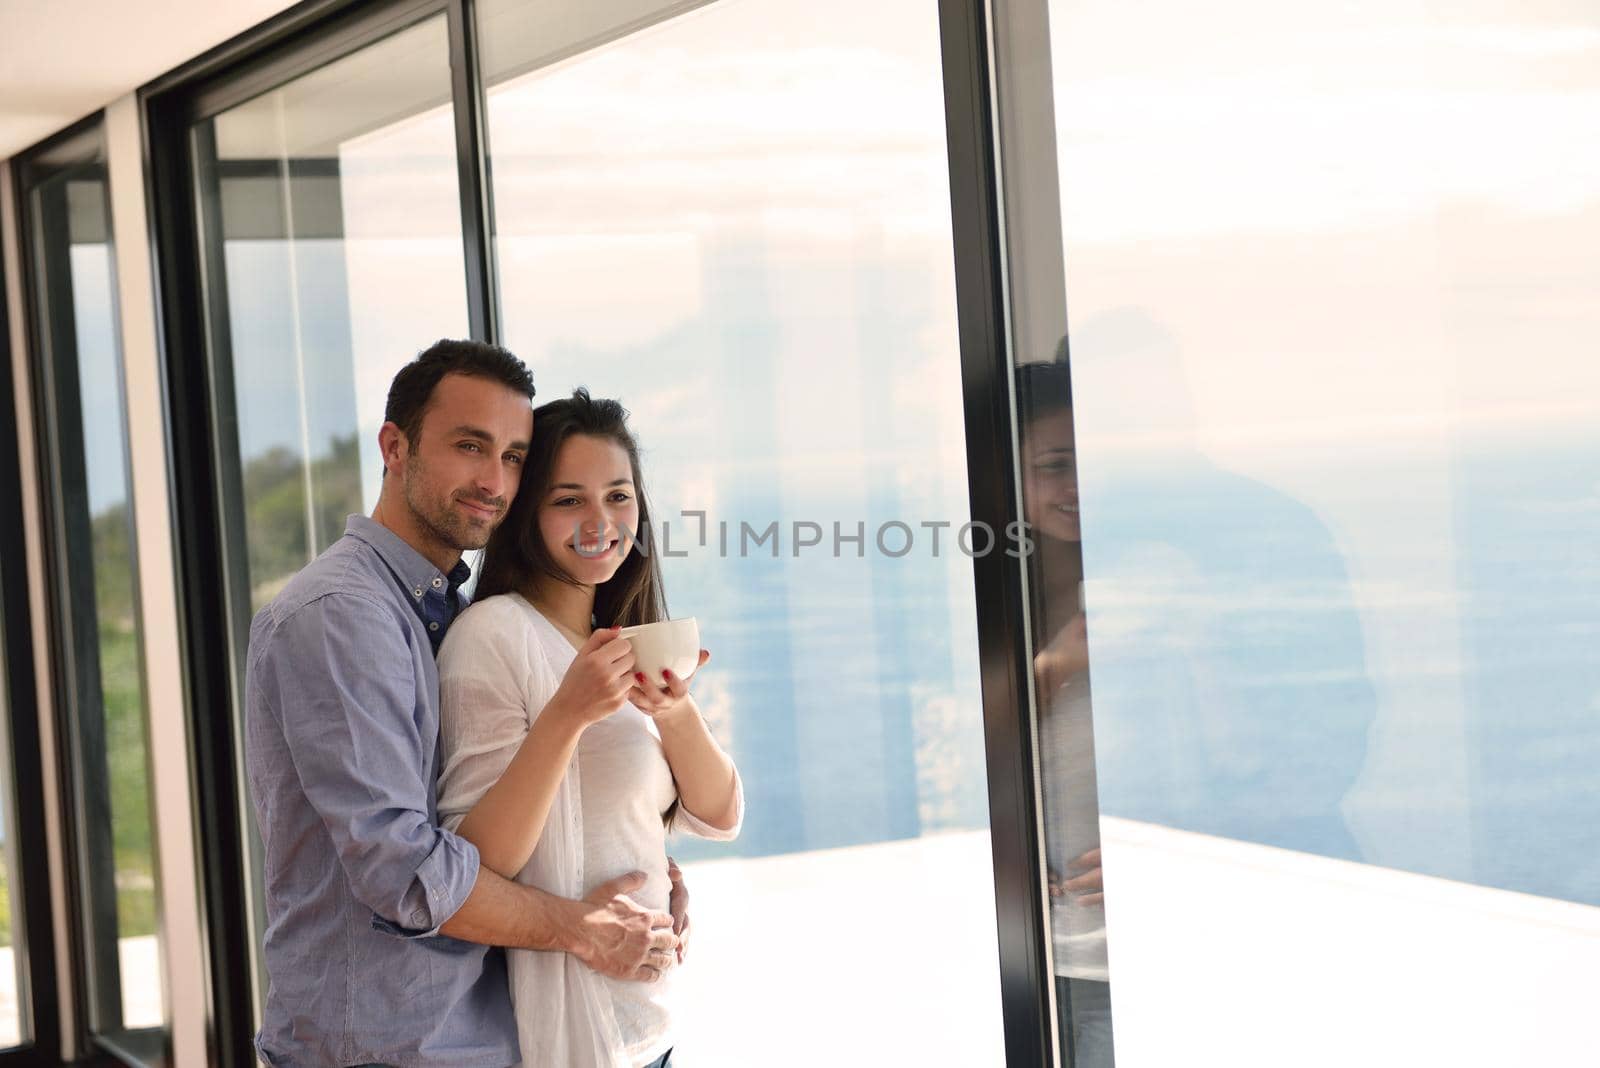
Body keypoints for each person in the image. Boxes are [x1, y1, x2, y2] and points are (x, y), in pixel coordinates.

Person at [245, 341, 686, 1067]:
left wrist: (644, 876)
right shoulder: (340, 615)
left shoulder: (445, 610)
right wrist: (584, 928)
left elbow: (505, 809)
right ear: (395, 446)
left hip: (483, 1037)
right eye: (469, 447)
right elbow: (406, 873)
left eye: (513, 457)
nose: (494, 480)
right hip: (383, 1049)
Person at [437, 387, 744, 1068]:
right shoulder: (493, 636)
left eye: (619, 495)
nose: (601, 520)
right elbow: (477, 865)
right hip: (580, 1033)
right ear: (527, 513)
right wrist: (566, 716)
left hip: (654, 1029)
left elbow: (720, 816)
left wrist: (674, 709)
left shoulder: (624, 639)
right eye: (568, 498)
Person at [1017, 358, 1116, 1067]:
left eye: (1091, 461)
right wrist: (1055, 668)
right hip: (1037, 956)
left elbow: (1237, 756)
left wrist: (1153, 857)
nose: (1077, 486)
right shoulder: (992, 598)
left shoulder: (1155, 581)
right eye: (1055, 465)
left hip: (1132, 944)